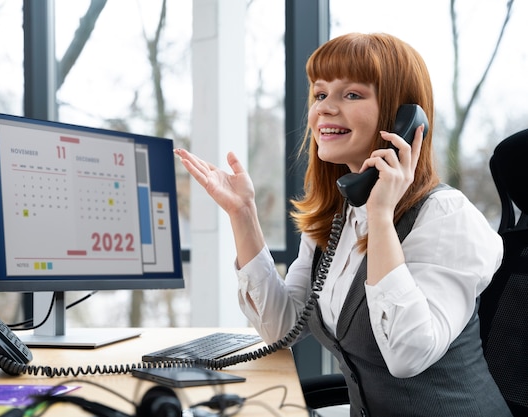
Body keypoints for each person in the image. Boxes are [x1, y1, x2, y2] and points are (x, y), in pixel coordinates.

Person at [174, 32, 511, 416]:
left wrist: (382, 215)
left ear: (403, 118)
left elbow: (407, 354)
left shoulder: (447, 218)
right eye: (319, 95)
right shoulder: (339, 216)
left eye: (351, 94)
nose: (325, 110)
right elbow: (280, 328)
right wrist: (243, 214)